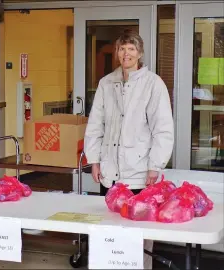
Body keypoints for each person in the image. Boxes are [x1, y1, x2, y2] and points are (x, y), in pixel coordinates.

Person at [84, 31, 174, 269]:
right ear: (117, 53)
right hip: (110, 172)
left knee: (139, 230)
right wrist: (95, 160)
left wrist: (155, 165)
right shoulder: (106, 83)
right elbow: (96, 124)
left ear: (140, 53)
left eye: (131, 49)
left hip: (140, 171)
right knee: (111, 226)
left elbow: (163, 129)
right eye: (122, 49)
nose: (126, 54)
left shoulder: (153, 84)